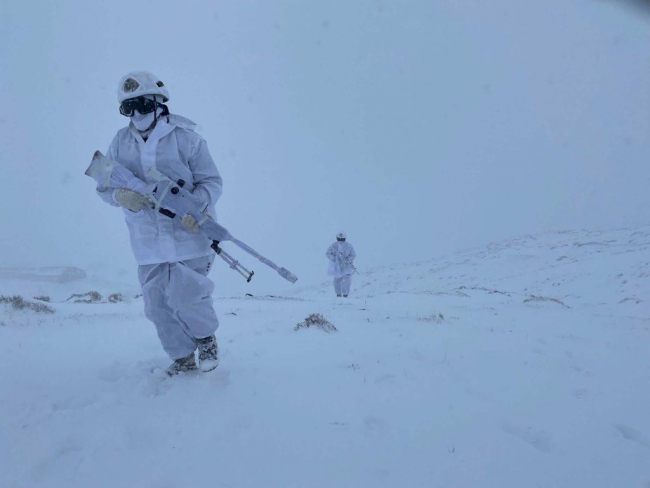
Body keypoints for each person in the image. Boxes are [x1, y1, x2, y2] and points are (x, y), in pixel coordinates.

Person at [94, 71, 222, 376]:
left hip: (189, 234)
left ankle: (206, 341)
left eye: (142, 104)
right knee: (157, 306)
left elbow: (211, 181)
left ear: (159, 102)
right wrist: (122, 196)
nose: (137, 114)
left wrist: (198, 207)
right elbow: (104, 185)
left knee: (187, 296)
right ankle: (182, 357)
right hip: (147, 240)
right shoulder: (120, 142)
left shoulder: (187, 138)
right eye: (128, 108)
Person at [326, 232, 357, 298]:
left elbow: (353, 255)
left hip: (346, 266)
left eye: (342, 239)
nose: (340, 241)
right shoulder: (333, 246)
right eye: (339, 239)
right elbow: (328, 253)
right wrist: (334, 259)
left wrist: (347, 260)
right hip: (337, 266)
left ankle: (346, 294)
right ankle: (338, 294)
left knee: (346, 280)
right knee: (337, 280)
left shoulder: (349, 246)